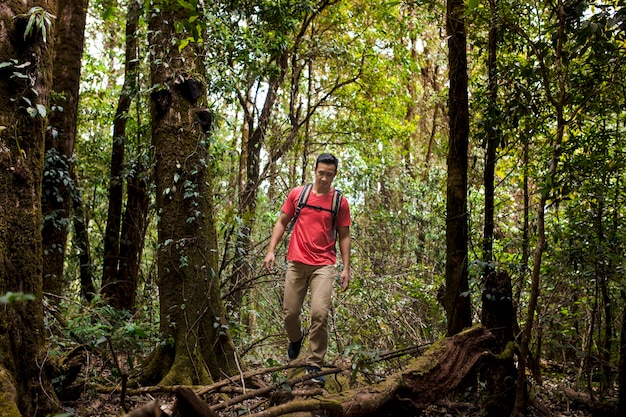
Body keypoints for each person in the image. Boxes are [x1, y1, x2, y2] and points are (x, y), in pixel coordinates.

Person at [264, 153, 351, 384]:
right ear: (314, 170)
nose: (324, 178)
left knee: (319, 314)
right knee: (290, 313)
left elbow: (344, 235)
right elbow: (282, 222)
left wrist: (345, 268)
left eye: (329, 174)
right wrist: (271, 250)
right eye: (321, 173)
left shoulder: (338, 202)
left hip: (323, 265)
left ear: (335, 175)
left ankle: (314, 365)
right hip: (296, 262)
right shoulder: (298, 194)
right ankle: (296, 338)